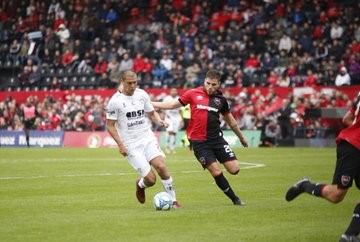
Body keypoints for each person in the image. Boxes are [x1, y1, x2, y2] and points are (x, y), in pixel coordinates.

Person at [153, 70, 249, 206]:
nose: (210, 87)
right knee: (216, 171)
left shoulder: (221, 100)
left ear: (219, 84)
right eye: (207, 83)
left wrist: (241, 137)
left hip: (217, 140)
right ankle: (235, 199)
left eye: (213, 84)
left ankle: (228, 187)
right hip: (199, 143)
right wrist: (150, 103)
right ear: (204, 81)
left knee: (234, 169)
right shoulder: (192, 94)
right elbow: (172, 105)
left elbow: (231, 121)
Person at [285, 92, 360, 242]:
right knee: (336, 195)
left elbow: (347, 119)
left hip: (350, 144)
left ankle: (349, 235)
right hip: (353, 148)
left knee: (337, 196)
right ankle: (305, 185)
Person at [106, 70, 181, 208]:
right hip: (131, 144)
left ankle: (174, 201)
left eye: (135, 82)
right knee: (151, 180)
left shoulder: (142, 94)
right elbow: (110, 126)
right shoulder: (115, 101)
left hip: (147, 137)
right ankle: (140, 185)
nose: (133, 86)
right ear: (122, 82)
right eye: (130, 83)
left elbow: (151, 113)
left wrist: (159, 120)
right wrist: (121, 145)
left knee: (161, 166)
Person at [162, 88, 182, 154]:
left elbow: (180, 110)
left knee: (174, 133)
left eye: (175, 91)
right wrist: (165, 114)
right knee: (169, 132)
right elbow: (162, 107)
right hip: (168, 117)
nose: (174, 92)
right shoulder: (167, 98)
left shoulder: (179, 98)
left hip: (176, 117)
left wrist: (181, 119)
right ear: (170, 92)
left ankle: (172, 148)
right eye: (172, 91)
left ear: (177, 92)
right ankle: (167, 147)